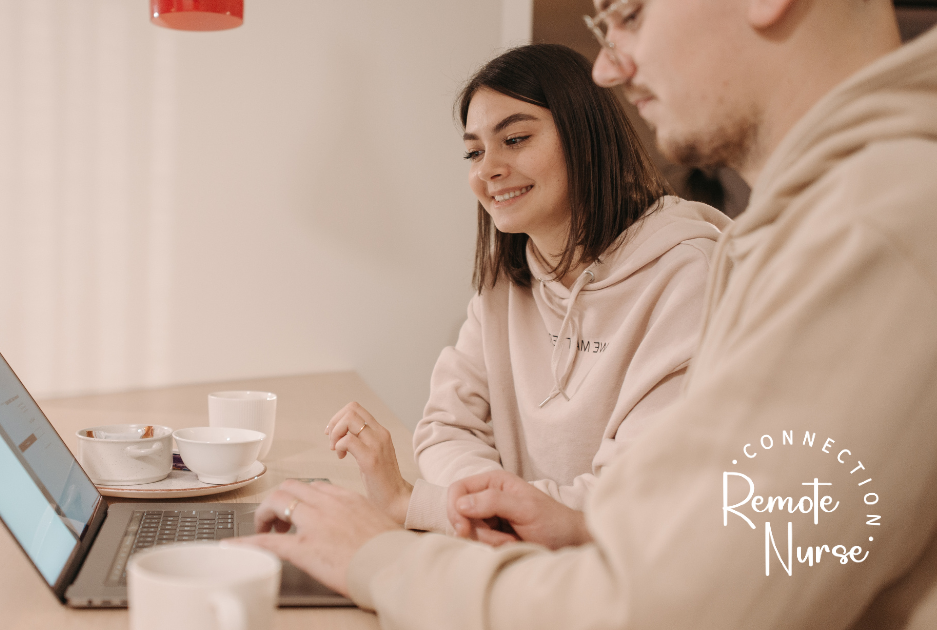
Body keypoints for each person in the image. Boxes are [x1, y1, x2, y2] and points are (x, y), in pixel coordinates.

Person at [240, 1, 937, 628]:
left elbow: (660, 602)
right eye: (475, 150)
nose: (607, 66)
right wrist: (489, 512)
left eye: (628, 14)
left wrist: (383, 554)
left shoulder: (871, 227)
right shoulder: (799, 230)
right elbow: (681, 528)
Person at [323, 43, 729, 547]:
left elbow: (635, 496)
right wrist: (497, 511)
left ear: (586, 137)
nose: (487, 169)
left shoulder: (686, 275)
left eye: (514, 139)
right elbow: (447, 427)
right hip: (516, 559)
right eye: (474, 151)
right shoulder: (504, 281)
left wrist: (426, 504)